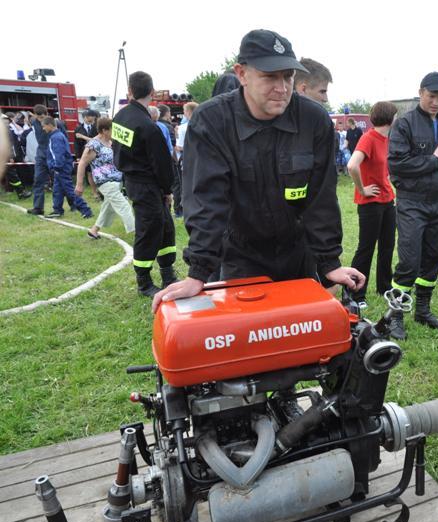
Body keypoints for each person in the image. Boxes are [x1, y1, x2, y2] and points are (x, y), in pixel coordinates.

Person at [152, 29, 364, 311]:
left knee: (303, 332)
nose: (282, 87)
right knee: (251, 335)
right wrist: (199, 272)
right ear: (241, 74)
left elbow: (321, 198)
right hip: (241, 253)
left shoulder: (314, 121)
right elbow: (206, 200)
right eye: (270, 76)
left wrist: (329, 262)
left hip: (297, 251)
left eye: (288, 76)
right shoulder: (212, 122)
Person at [386, 71, 438, 340]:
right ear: (421, 93)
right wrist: (431, 162)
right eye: (431, 96)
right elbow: (396, 163)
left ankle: (423, 310)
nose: (436, 102)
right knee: (409, 261)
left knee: (434, 258)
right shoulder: (404, 124)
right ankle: (395, 316)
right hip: (412, 203)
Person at [112, 71, 177, 298]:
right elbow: (161, 164)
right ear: (152, 92)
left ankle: (168, 273)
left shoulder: (120, 118)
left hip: (134, 181)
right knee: (149, 230)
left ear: (129, 91)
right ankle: (144, 281)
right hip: (146, 184)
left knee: (166, 227)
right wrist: (168, 190)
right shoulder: (148, 127)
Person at [347, 101, 398, 308]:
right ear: (390, 118)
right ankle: (356, 294)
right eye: (395, 115)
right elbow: (352, 165)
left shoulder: (388, 140)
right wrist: (362, 189)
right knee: (366, 248)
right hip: (370, 204)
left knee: (387, 246)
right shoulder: (368, 138)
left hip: (388, 200)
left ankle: (384, 287)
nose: (397, 119)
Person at [76, 117, 135, 239]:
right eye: (112, 130)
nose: (114, 132)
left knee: (108, 207)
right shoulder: (93, 145)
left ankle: (94, 230)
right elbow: (82, 163)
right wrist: (79, 184)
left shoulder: (111, 143)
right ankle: (137, 233)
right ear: (104, 130)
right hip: (105, 182)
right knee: (124, 206)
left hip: (117, 180)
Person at [40, 117, 92, 219]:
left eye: (44, 126)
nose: (43, 128)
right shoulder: (58, 135)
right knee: (57, 190)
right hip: (61, 168)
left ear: (50, 125)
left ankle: (86, 210)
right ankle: (57, 210)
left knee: (70, 191)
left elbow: (58, 154)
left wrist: (56, 167)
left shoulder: (56, 137)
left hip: (61, 168)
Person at [174, 102, 198, 219]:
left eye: (184, 111)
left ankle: (184, 211)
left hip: (186, 162)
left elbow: (178, 147)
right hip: (201, 162)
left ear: (188, 112)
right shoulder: (206, 124)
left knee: (185, 187)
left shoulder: (182, 128)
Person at [26, 105, 52, 215]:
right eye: (39, 117)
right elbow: (29, 117)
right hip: (40, 155)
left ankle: (74, 204)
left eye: (43, 117)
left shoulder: (55, 123)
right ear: (35, 115)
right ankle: (38, 208)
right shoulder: (33, 120)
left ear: (47, 114)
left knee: (61, 181)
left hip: (53, 153)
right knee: (38, 180)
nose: (41, 119)